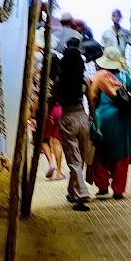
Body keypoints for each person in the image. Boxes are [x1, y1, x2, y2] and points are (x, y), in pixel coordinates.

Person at [89, 45, 131, 199]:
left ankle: (103, 186)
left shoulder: (98, 77)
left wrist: (92, 114)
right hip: (124, 117)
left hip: (103, 117)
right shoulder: (126, 77)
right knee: (122, 152)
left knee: (101, 150)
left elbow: (92, 97)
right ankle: (118, 189)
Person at [50, 34, 93, 210]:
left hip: (67, 118)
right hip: (83, 117)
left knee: (73, 159)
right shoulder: (84, 81)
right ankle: (72, 191)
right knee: (80, 158)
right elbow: (91, 102)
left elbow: (52, 100)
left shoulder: (59, 82)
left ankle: (81, 194)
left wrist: (50, 115)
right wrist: (93, 120)